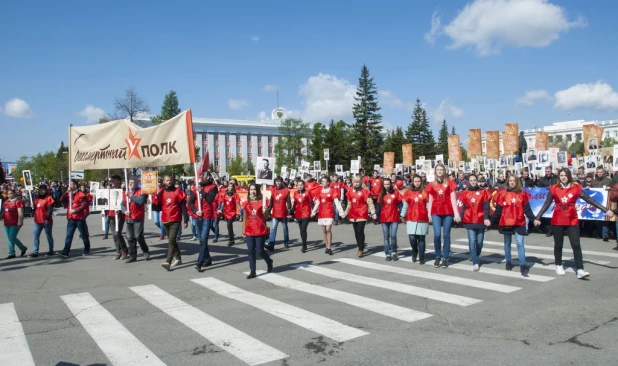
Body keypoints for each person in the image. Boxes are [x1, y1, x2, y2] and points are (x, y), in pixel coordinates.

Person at [536, 168, 613, 278]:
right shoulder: (554, 189)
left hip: (572, 220)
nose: (563, 177)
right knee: (558, 245)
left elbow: (590, 200)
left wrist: (606, 210)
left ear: (569, 176)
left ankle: (580, 269)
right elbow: (547, 204)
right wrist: (538, 217)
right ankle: (558, 265)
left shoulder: (576, 188)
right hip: (558, 220)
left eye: (565, 175)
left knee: (576, 244)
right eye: (561, 175)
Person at [490, 175, 538, 276]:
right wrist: (491, 221)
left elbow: (527, 210)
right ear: (507, 182)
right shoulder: (502, 194)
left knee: (520, 243)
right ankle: (508, 261)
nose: (512, 182)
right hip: (506, 222)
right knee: (507, 243)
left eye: (514, 181)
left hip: (519, 221)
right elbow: (498, 210)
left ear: (517, 182)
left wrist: (534, 220)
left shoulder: (522, 194)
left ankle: (523, 265)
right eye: (510, 181)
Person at [426, 164, 460, 268]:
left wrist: (456, 213)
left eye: (441, 170)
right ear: (435, 172)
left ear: (444, 171)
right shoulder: (431, 184)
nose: (440, 171)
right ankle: (437, 256)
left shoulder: (450, 183)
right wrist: (429, 214)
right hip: (435, 212)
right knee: (437, 235)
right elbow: (430, 200)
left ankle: (445, 257)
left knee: (446, 235)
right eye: (438, 170)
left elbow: (453, 199)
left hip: (448, 211)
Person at [458, 175, 492, 271]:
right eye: (471, 180)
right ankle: (475, 261)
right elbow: (464, 207)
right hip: (469, 220)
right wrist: (460, 216)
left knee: (479, 242)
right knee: (472, 241)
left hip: (480, 219)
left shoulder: (483, 192)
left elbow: (486, 207)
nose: (473, 182)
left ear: (477, 181)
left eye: (474, 180)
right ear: (468, 181)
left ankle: (475, 255)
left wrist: (486, 218)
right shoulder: (465, 193)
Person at [157, 175, 189, 271]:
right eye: (167, 180)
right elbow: (158, 207)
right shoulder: (161, 192)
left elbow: (183, 207)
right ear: (164, 181)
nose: (169, 181)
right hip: (165, 219)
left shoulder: (178, 192)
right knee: (172, 241)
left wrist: (186, 220)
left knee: (171, 240)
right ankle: (178, 258)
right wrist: (151, 203)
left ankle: (168, 261)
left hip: (175, 219)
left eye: (171, 180)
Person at [242, 183, 273, 279]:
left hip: (260, 229)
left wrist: (266, 211)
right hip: (249, 230)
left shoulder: (263, 202)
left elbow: (267, 217)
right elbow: (245, 218)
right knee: (250, 251)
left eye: (254, 189)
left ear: (258, 191)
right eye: (251, 189)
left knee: (260, 251)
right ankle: (253, 271)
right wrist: (243, 231)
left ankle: (269, 261)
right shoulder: (246, 203)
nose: (253, 191)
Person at [190, 172, 218, 272]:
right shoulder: (195, 188)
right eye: (201, 176)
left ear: (209, 177)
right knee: (201, 240)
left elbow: (210, 199)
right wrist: (195, 211)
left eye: (204, 176)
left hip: (207, 216)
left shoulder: (213, 187)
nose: (202, 177)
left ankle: (199, 262)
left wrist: (201, 192)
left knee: (204, 238)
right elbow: (190, 202)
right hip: (198, 216)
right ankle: (208, 258)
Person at [341, 177, 376, 257]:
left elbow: (370, 203)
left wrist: (373, 212)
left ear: (360, 182)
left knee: (360, 230)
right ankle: (359, 245)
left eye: (358, 182)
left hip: (362, 213)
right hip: (353, 214)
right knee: (356, 232)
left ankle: (361, 249)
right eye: (355, 182)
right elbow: (349, 204)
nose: (356, 183)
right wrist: (345, 213)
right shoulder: (350, 191)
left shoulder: (365, 191)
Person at [311, 176, 345, 255]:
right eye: (322, 181)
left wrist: (341, 212)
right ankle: (326, 246)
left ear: (328, 182)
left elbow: (337, 202)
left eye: (324, 181)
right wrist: (313, 212)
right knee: (324, 230)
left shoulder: (332, 191)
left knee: (328, 229)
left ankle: (329, 247)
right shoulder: (320, 191)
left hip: (329, 212)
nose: (323, 183)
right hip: (322, 212)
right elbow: (317, 203)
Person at [56, 180, 91, 258]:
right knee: (69, 235)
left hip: (79, 218)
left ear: (75, 185)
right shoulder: (69, 194)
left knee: (83, 234)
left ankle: (87, 248)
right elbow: (61, 199)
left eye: (71, 184)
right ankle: (66, 251)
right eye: (69, 184)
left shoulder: (80, 194)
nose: (70, 185)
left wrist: (75, 210)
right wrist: (66, 192)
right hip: (71, 218)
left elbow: (84, 205)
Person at [400, 175, 429, 264]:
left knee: (421, 238)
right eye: (415, 181)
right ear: (413, 182)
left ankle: (421, 256)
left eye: (419, 181)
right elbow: (405, 205)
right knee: (412, 238)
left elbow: (428, 205)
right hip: (411, 217)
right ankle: (414, 251)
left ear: (421, 182)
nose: (417, 183)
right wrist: (402, 215)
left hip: (422, 217)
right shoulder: (408, 193)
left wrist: (430, 215)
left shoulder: (425, 192)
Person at [122, 177, 151, 263]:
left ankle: (145, 250)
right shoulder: (125, 192)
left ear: (137, 183)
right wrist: (124, 211)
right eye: (129, 182)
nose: (130, 183)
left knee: (138, 236)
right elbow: (122, 204)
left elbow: (140, 201)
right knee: (130, 237)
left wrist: (131, 196)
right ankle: (132, 256)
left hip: (138, 217)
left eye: (132, 182)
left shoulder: (141, 191)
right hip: (128, 217)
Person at [378, 178, 402, 260]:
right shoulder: (381, 194)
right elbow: (378, 206)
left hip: (394, 217)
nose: (387, 186)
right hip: (384, 218)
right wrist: (375, 215)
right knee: (386, 237)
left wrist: (402, 214)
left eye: (388, 184)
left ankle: (394, 252)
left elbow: (400, 204)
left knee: (393, 235)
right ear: (383, 185)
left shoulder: (395, 192)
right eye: (385, 184)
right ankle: (387, 253)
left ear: (391, 184)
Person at [106, 175, 128, 259]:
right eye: (111, 181)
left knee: (117, 233)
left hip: (119, 215)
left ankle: (124, 250)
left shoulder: (122, 192)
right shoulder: (109, 191)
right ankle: (118, 251)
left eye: (114, 181)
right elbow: (105, 201)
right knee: (114, 235)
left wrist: (120, 209)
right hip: (111, 214)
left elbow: (124, 203)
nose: (112, 182)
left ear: (119, 181)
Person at [266, 177, 291, 250]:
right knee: (274, 228)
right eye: (277, 181)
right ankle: (271, 243)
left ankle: (286, 242)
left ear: (282, 182)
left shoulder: (286, 191)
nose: (278, 183)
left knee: (285, 228)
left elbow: (288, 202)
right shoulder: (273, 190)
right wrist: (268, 211)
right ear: (275, 182)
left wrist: (289, 212)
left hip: (283, 213)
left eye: (279, 181)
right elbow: (271, 202)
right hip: (275, 213)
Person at [30, 184, 55, 258]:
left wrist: (47, 219)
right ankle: (35, 251)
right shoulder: (37, 199)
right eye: (40, 190)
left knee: (48, 236)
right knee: (36, 236)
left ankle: (51, 250)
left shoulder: (49, 198)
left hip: (46, 221)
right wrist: (32, 207)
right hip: (37, 221)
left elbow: (50, 210)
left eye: (43, 190)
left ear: (46, 190)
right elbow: (34, 210)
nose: (41, 191)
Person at [2, 189, 27, 259]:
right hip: (7, 222)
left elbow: (21, 212)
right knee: (9, 239)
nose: (9, 195)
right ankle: (11, 253)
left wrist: (20, 221)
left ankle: (22, 248)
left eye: (11, 193)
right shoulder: (6, 202)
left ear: (14, 194)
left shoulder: (18, 202)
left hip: (15, 222)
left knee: (12, 237)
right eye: (8, 193)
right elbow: (4, 212)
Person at [290, 180, 314, 253]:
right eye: (298, 185)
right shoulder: (295, 193)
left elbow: (311, 202)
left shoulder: (307, 192)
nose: (300, 186)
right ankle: (305, 243)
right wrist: (290, 212)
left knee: (303, 229)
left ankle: (303, 245)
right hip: (298, 214)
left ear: (304, 185)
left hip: (306, 213)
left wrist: (314, 212)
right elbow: (294, 205)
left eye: (301, 185)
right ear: (296, 186)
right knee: (301, 230)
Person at [592, 167, 612, 241]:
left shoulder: (608, 180)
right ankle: (599, 233)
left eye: (601, 172)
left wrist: (610, 188)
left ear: (603, 172)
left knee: (604, 218)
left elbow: (613, 189)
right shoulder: (593, 181)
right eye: (598, 172)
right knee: (597, 218)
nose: (599, 173)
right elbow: (592, 190)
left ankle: (605, 234)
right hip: (596, 202)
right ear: (596, 173)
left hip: (605, 201)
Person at [219, 183, 241, 247]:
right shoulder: (225, 194)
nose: (230, 187)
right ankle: (232, 239)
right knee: (229, 226)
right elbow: (223, 203)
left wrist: (241, 211)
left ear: (233, 187)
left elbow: (237, 203)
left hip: (232, 212)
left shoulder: (235, 195)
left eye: (231, 186)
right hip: (226, 212)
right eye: (229, 186)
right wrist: (221, 209)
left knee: (229, 225)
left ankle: (231, 240)